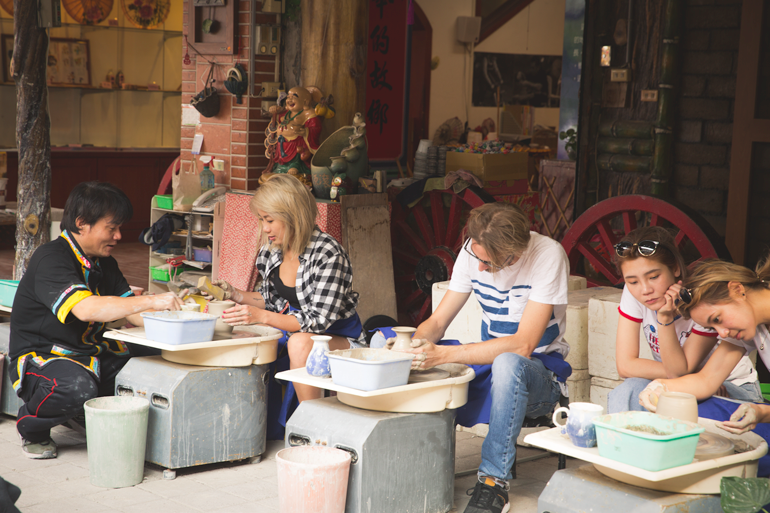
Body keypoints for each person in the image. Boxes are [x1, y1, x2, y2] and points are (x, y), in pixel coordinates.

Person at [387, 202, 570, 513]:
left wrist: (444, 353)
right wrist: (413, 346)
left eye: (493, 263)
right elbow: (438, 322)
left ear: (518, 250)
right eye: (478, 258)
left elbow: (523, 345)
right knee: (389, 339)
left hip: (539, 373)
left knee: (507, 362)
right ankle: (411, 463)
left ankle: (493, 483)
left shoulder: (547, 255)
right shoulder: (473, 253)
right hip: (489, 364)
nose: (482, 269)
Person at [9, 181, 183, 459]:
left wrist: (181, 316)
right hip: (43, 358)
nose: (117, 236)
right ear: (82, 223)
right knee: (75, 388)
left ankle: (78, 412)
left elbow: (130, 312)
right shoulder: (50, 258)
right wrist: (152, 299)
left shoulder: (104, 262)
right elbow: (86, 309)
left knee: (157, 357)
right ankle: (32, 425)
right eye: (111, 228)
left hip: (90, 353)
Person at [212, 174, 366, 403]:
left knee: (300, 342)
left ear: (293, 217)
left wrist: (261, 316)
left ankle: (309, 417)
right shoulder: (273, 251)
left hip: (338, 337)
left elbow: (317, 322)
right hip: (297, 331)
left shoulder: (328, 253)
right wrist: (235, 294)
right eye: (262, 220)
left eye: (270, 220)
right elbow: (270, 300)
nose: (264, 228)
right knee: (250, 335)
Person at [607, 227, 761, 414]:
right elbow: (625, 366)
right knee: (629, 390)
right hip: (695, 381)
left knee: (680, 407)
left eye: (654, 277)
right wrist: (672, 382)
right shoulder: (637, 294)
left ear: (676, 268)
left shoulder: (698, 300)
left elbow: (681, 372)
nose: (645, 289)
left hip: (729, 385)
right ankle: (617, 441)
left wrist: (664, 319)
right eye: (632, 282)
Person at [638, 257, 770, 435]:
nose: (722, 333)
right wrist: (660, 386)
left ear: (737, 290)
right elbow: (706, 380)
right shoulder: (750, 324)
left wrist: (763, 412)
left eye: (717, 319)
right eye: (712, 327)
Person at [266, 86, 322, 176]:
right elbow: (276, 118)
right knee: (280, 162)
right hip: (282, 142)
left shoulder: (308, 113)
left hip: (297, 143)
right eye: (288, 97)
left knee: (297, 153)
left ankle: (295, 166)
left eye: (294, 96)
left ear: (305, 101)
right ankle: (281, 166)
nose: (289, 99)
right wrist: (274, 110)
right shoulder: (287, 112)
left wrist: (305, 131)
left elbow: (316, 127)